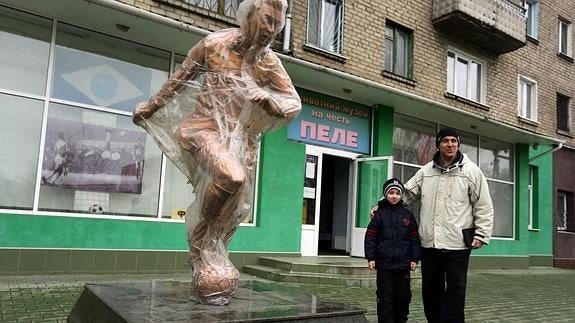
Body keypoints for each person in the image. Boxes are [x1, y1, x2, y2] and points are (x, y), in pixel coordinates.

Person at [132, 0, 301, 306]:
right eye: (266, 20)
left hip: (241, 143)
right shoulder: (215, 45)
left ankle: (211, 259)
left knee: (235, 210)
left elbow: (293, 103)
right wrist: (151, 106)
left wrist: (268, 100)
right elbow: (180, 79)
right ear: (248, 15)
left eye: (277, 24)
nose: (270, 30)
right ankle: (200, 239)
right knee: (230, 176)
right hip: (203, 129)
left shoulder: (268, 63)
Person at [371, 127, 494, 323]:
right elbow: (406, 193)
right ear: (438, 144)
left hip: (458, 244)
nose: (450, 144)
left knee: (456, 289)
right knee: (430, 290)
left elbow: (483, 204)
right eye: (446, 141)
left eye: (454, 141)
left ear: (458, 144)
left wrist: (481, 234)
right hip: (429, 244)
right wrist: (382, 205)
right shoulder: (426, 171)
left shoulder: (471, 172)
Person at [365, 178, 421, 323]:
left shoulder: (408, 215)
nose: (394, 196)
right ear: (385, 194)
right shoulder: (379, 215)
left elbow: (414, 239)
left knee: (403, 297)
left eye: (397, 193)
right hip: (384, 265)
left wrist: (415, 259)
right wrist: (371, 257)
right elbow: (370, 237)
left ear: (401, 195)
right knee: (385, 297)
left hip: (403, 266)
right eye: (391, 193)